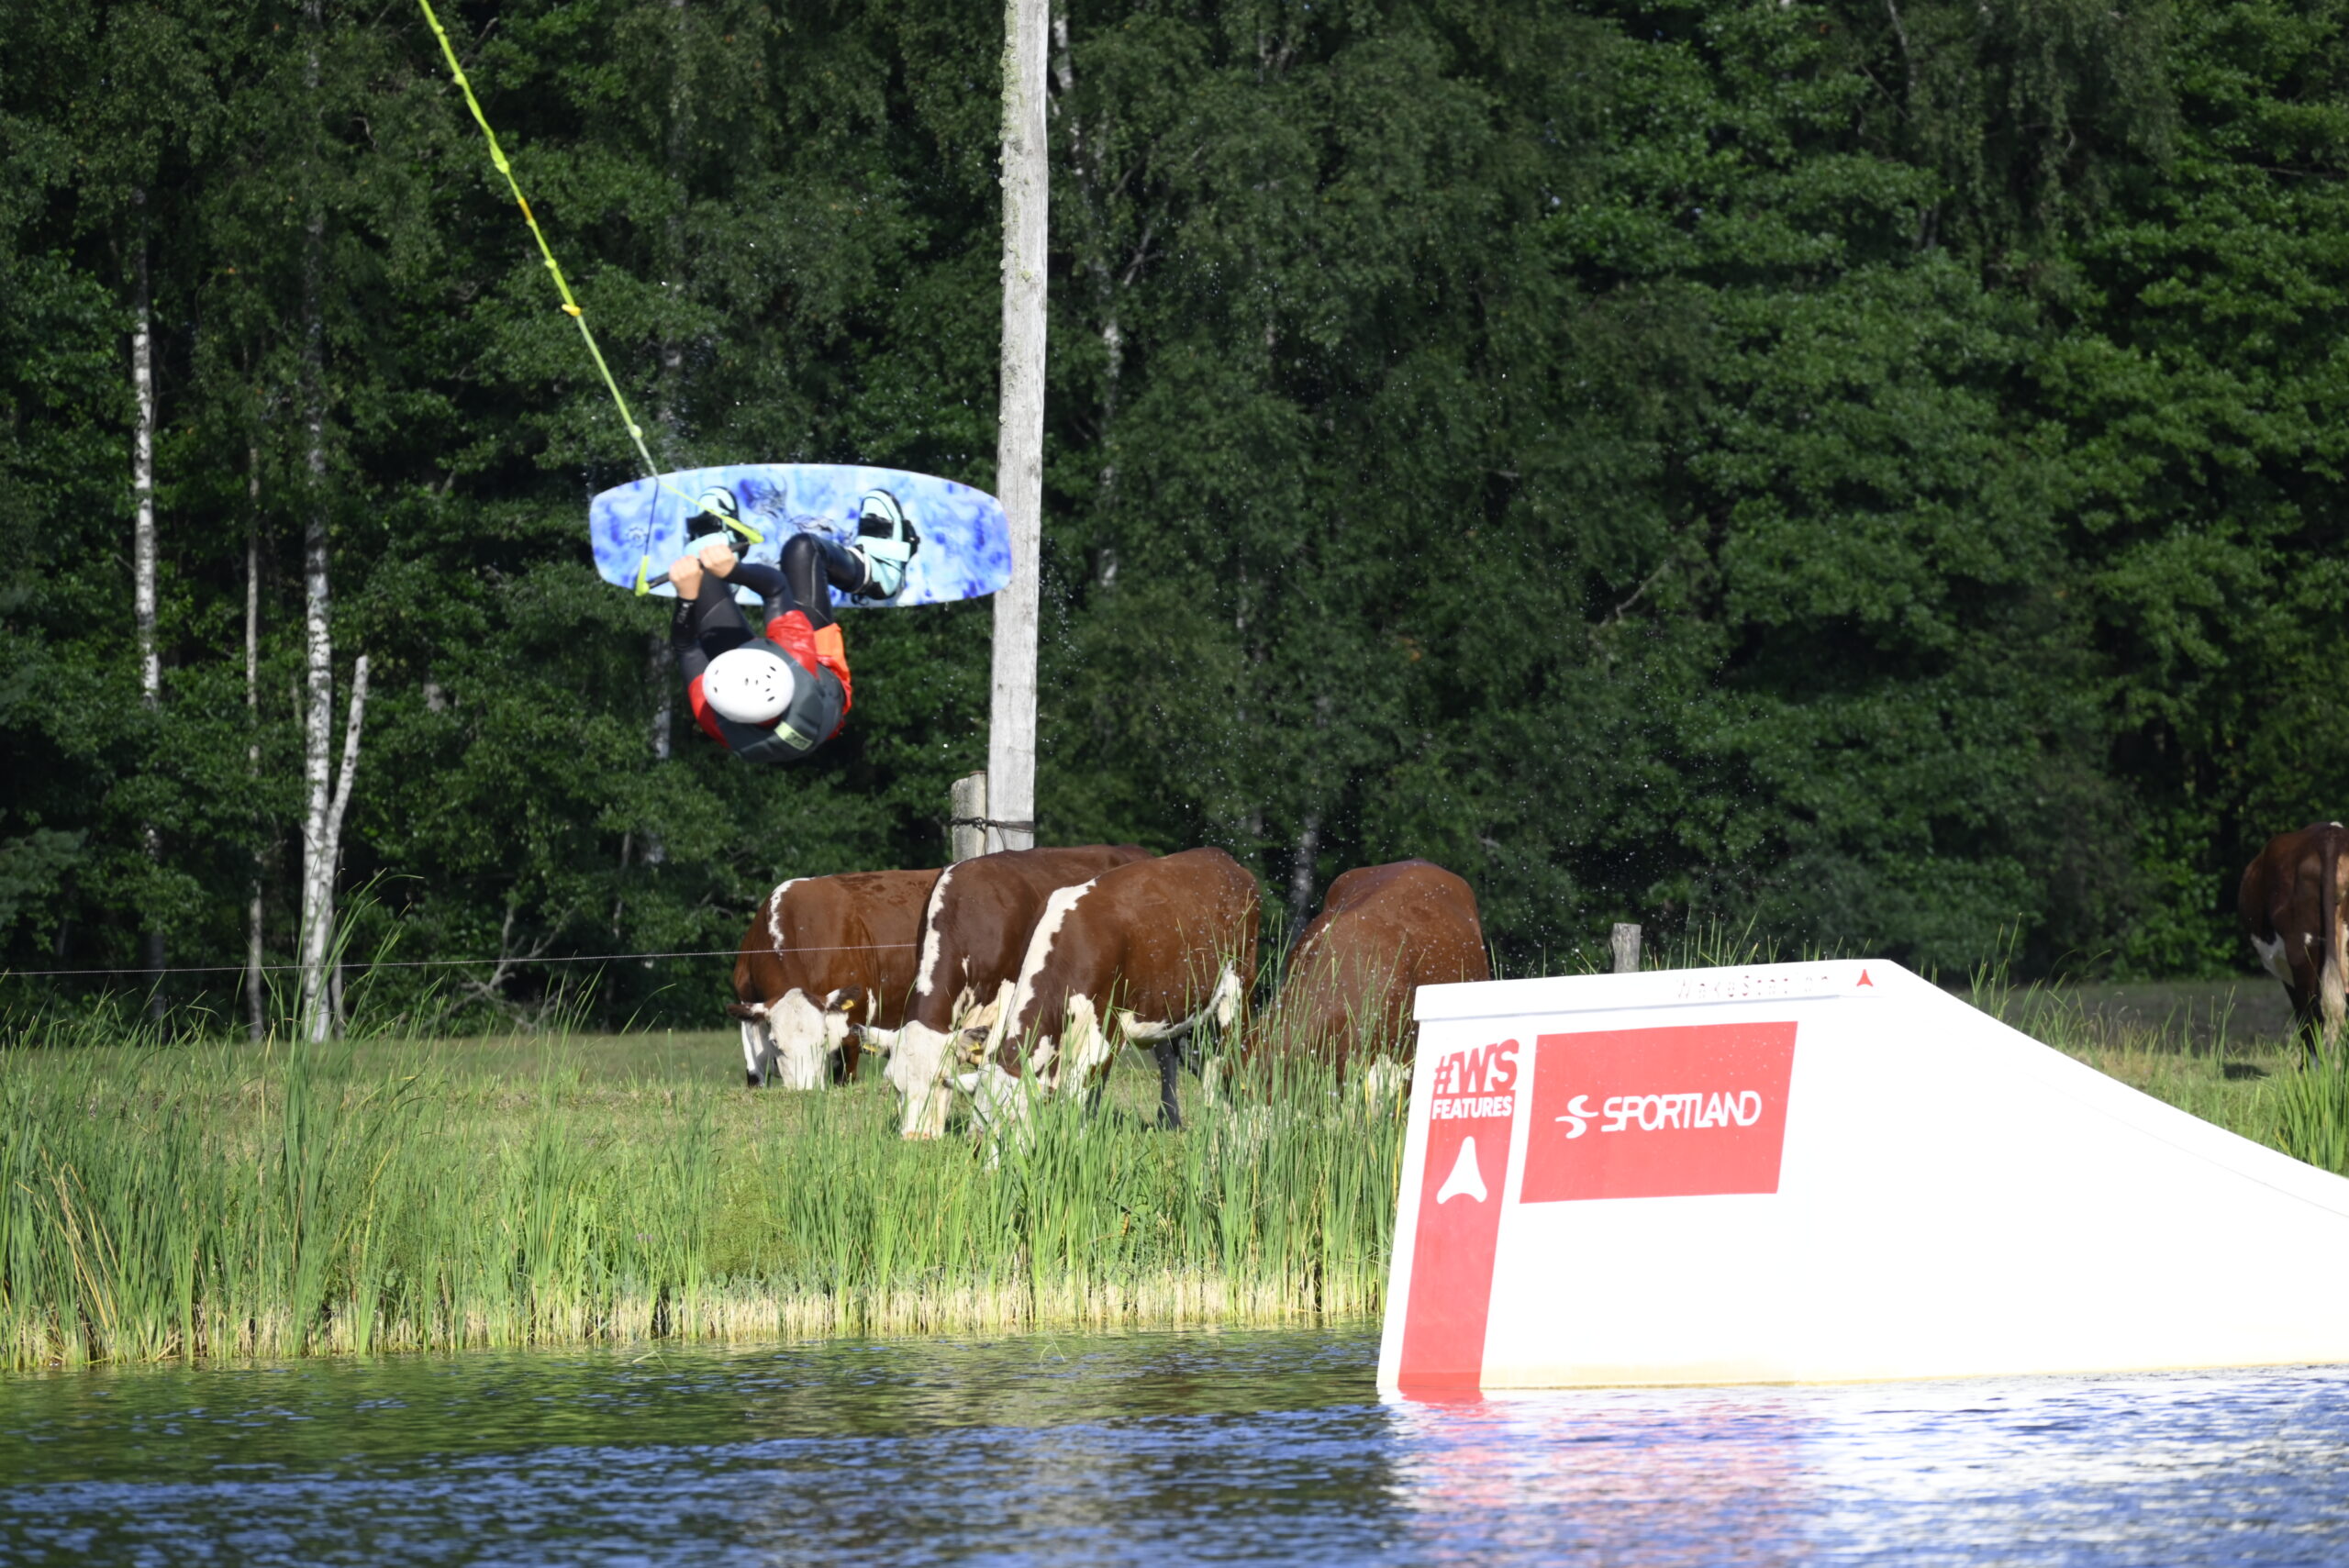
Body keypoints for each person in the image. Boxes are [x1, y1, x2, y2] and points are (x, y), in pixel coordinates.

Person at [668, 488, 916, 764]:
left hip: (779, 691)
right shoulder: (797, 656)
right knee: (803, 549)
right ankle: (880, 576)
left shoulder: (711, 708)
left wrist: (687, 596)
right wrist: (735, 572)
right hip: (820, 670)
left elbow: (686, 647)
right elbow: (775, 588)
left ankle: (717, 562)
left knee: (700, 576)